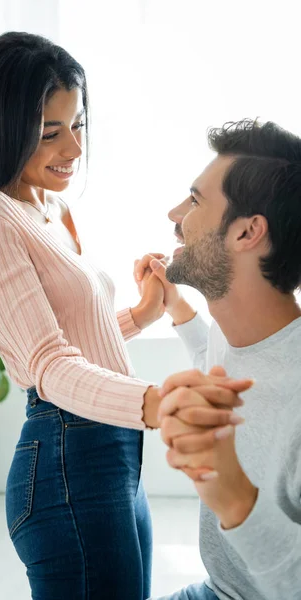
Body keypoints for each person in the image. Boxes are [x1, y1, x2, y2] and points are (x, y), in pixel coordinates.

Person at [0, 32, 247, 599]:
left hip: (111, 453)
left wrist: (142, 314)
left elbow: (67, 335)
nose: (73, 148)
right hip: (67, 458)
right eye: (49, 132)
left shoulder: (50, 205)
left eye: (78, 125)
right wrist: (156, 402)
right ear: (0, 127)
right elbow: (46, 362)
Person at [136, 119, 301, 600]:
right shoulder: (241, 333)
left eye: (194, 200)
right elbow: (224, 359)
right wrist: (177, 309)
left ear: (248, 232)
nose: (174, 213)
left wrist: (232, 493)